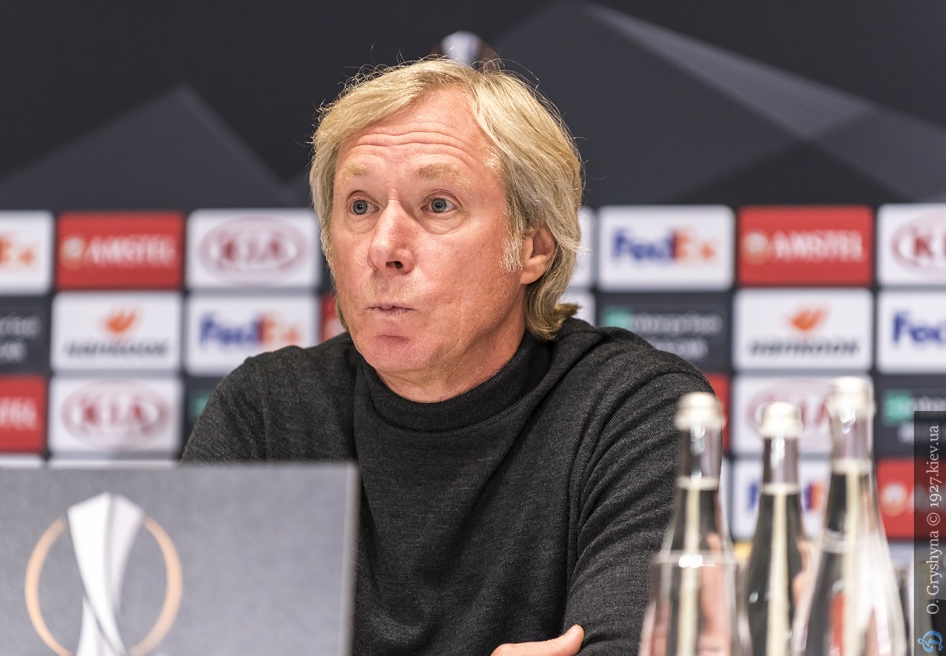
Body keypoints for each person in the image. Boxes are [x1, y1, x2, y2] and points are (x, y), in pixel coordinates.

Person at [183, 57, 710, 655]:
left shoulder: (635, 411)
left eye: (437, 205)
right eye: (360, 206)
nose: (384, 247)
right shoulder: (268, 411)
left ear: (533, 247)